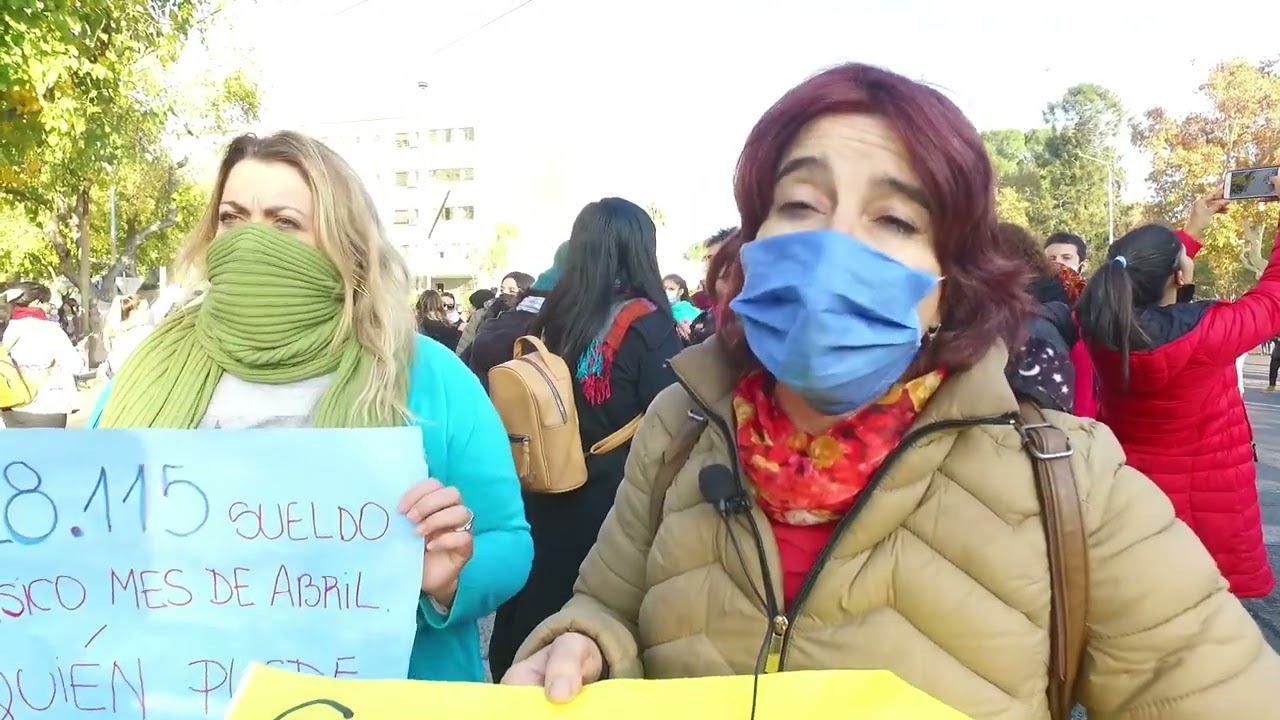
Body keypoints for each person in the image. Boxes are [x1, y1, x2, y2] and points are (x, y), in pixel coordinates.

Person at [502, 63, 1279, 717]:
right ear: (749, 242)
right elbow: (605, 601)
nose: (835, 243)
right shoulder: (681, 428)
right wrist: (585, 642)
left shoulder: (1068, 478)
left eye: (897, 221)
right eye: (800, 204)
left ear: (949, 285)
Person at [87, 131, 532, 682]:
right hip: (180, 684)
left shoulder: (425, 376)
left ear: (343, 241)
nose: (251, 241)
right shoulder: (151, 368)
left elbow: (508, 540)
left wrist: (445, 581)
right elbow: (86, 518)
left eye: (284, 222)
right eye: (232, 218)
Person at [487, 198, 683, 681]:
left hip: (541, 484)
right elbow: (676, 419)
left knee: (532, 606)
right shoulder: (648, 323)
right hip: (610, 502)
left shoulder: (551, 317)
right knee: (584, 626)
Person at [1077, 185, 1280, 601]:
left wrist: (1189, 233)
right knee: (1209, 629)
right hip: (1210, 513)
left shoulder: (1100, 329)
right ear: (1179, 275)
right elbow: (1272, 301)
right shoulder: (1206, 335)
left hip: (1135, 502)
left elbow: (1139, 276)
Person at [1, 282, 84, 428]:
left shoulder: (8, 328)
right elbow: (75, 365)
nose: (49, 307)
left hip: (14, 404)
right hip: (47, 405)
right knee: (49, 450)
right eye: (46, 302)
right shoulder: (50, 329)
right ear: (36, 302)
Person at [457, 271, 534, 358]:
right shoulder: (482, 314)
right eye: (502, 289)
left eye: (512, 291)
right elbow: (464, 345)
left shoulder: (534, 320)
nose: (505, 293)